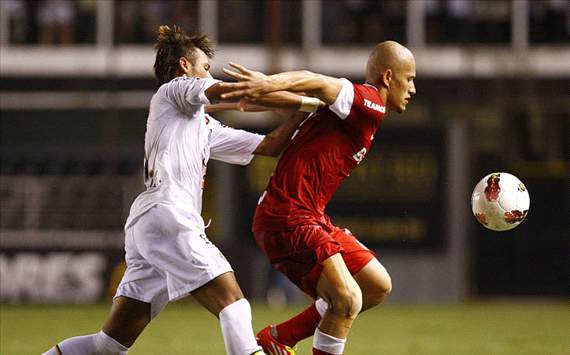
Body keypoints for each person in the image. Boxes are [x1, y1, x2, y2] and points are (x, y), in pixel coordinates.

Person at [42, 25, 317, 355]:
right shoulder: (172, 92)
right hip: (168, 212)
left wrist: (303, 114)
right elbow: (224, 93)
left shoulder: (202, 124)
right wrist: (303, 96)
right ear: (185, 67)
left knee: (107, 345)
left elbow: (270, 145)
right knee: (233, 303)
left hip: (152, 223)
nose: (208, 73)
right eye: (205, 67)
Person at [220, 40, 417, 355]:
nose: (413, 88)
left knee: (376, 285)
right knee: (348, 298)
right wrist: (267, 83)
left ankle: (279, 336)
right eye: (409, 79)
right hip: (288, 215)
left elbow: (305, 99)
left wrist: (261, 93)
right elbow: (317, 80)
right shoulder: (368, 101)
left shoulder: (352, 110)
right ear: (389, 77)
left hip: (307, 215)